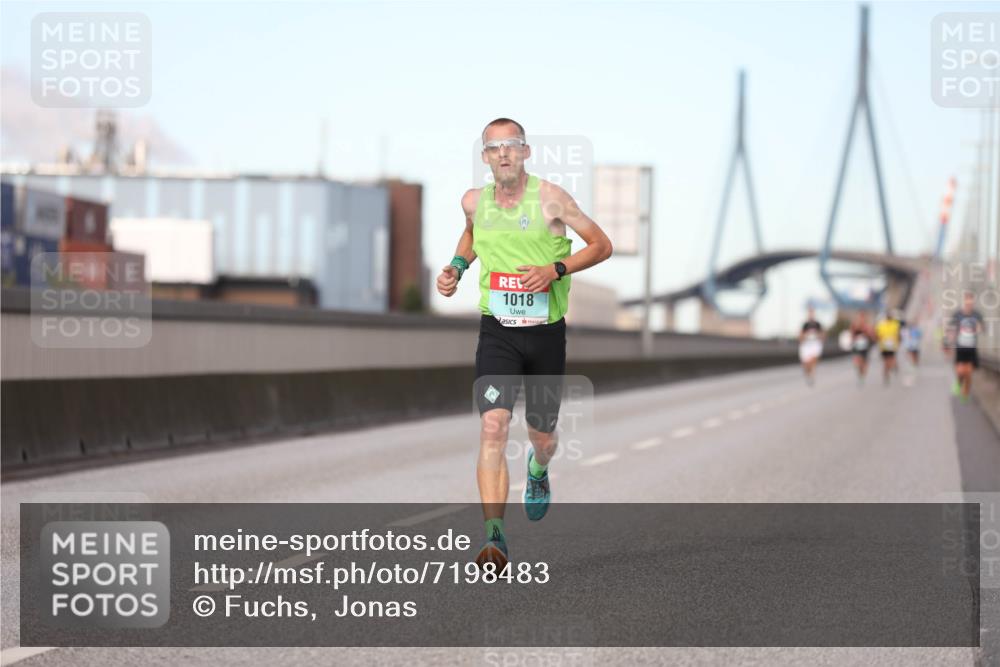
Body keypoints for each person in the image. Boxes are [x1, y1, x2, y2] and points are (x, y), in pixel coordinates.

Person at [436, 118, 613, 569]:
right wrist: (457, 266)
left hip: (545, 334)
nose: (503, 154)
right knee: (493, 427)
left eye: (511, 146)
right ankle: (494, 538)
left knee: (543, 435)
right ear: (484, 157)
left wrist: (555, 270)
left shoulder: (551, 198)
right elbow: (473, 235)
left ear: (526, 152)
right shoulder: (474, 202)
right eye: (494, 148)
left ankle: (538, 467)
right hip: (498, 331)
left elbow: (601, 244)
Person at [949, 291, 985, 404]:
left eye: (971, 302)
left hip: (971, 347)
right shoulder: (958, 314)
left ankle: (965, 392)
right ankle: (959, 383)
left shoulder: (977, 315)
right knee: (960, 371)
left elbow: (982, 327)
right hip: (960, 347)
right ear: (964, 302)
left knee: (968, 373)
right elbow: (952, 329)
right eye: (967, 302)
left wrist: (979, 328)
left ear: (973, 303)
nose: (969, 304)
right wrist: (951, 339)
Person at [875, 310, 903, 386]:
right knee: (886, 362)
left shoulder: (895, 324)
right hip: (884, 347)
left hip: (892, 346)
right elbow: (878, 335)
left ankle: (891, 369)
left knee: (890, 360)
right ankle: (886, 374)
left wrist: (898, 341)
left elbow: (898, 334)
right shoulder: (881, 324)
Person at [798, 306, 824, 386]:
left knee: (813, 360)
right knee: (806, 365)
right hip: (806, 345)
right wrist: (804, 336)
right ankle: (808, 374)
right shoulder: (805, 325)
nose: (811, 315)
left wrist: (819, 336)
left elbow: (823, 334)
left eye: (812, 313)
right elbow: (800, 336)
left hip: (815, 345)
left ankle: (812, 375)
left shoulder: (817, 324)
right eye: (810, 313)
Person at [848, 310, 875, 386]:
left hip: (865, 346)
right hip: (857, 346)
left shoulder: (867, 326)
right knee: (857, 360)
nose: (861, 318)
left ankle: (862, 376)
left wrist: (867, 332)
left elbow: (872, 336)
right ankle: (859, 372)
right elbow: (852, 334)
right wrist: (853, 340)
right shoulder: (854, 325)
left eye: (862, 317)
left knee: (864, 364)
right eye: (860, 317)